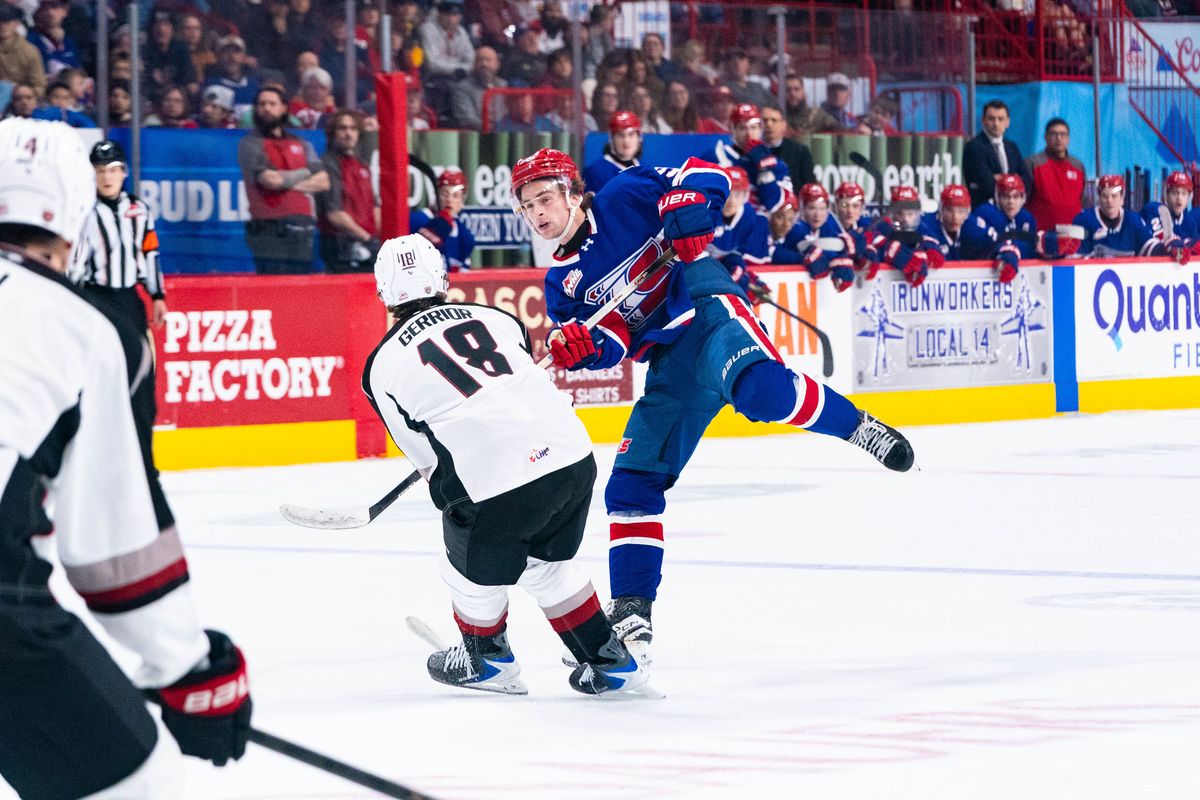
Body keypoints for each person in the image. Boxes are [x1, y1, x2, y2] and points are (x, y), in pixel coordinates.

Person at [511, 148, 916, 665]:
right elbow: (614, 339)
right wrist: (586, 348)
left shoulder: (625, 192)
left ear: (572, 191)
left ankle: (858, 427)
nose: (538, 213)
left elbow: (708, 175)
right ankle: (633, 614)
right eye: (527, 207)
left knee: (761, 391)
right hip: (669, 362)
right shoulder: (560, 285)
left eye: (545, 197)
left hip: (707, 308)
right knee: (632, 484)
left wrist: (687, 202)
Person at [0, 117, 252, 800]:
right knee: (138, 785)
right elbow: (115, 550)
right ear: (75, 209)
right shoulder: (76, 326)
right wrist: (187, 670)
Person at [362, 234, 646, 696]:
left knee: (461, 562)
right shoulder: (498, 318)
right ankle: (609, 660)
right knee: (545, 563)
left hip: (502, 483)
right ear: (443, 277)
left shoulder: (379, 366)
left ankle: (486, 659)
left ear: (382, 293)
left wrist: (458, 495)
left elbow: (428, 461)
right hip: (574, 461)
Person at [73, 140, 176, 537]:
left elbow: (150, 255)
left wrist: (158, 295)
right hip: (96, 299)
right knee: (97, 380)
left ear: (123, 173)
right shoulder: (84, 212)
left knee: (143, 381)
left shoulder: (138, 210)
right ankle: (93, 463)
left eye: (112, 170)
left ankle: (143, 461)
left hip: (130, 301)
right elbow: (76, 264)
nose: (106, 177)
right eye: (100, 171)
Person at [237, 86, 330, 274]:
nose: (266, 108)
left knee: (301, 286)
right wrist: (308, 172)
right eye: (262, 104)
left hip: (302, 226)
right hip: (268, 229)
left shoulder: (301, 143)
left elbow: (324, 181)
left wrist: (286, 181)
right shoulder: (250, 143)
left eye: (272, 103)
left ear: (284, 108)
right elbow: (270, 181)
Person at [961, 173, 1080, 281]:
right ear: (997, 197)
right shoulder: (985, 213)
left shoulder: (1026, 218)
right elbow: (985, 245)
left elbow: (1030, 250)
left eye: (1016, 197)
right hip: (982, 277)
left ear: (1023, 198)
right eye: (1005, 196)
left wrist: (1050, 250)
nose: (1010, 202)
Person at [317, 110, 380, 273]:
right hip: (340, 247)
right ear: (333, 133)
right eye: (342, 128)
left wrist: (379, 240)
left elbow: (374, 206)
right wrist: (368, 239)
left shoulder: (362, 165)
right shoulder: (327, 164)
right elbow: (335, 214)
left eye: (353, 128)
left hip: (368, 247)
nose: (348, 133)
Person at [700, 102, 790, 213]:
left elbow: (772, 205)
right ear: (733, 130)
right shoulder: (715, 157)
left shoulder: (776, 164)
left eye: (753, 127)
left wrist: (764, 171)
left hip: (760, 227)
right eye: (743, 128)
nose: (748, 133)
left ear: (760, 129)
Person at [1074, 174, 1183, 260]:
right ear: (1099, 198)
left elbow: (1150, 247)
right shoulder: (1084, 221)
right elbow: (1075, 259)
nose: (1109, 201)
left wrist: (1169, 247)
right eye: (1105, 196)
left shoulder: (1133, 221)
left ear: (1122, 199)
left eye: (1114, 196)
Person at [862, 186, 943, 287]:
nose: (905, 218)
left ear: (917, 213)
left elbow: (933, 246)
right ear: (892, 213)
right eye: (900, 213)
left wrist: (930, 250)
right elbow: (869, 241)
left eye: (910, 214)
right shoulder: (881, 227)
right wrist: (890, 251)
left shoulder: (923, 228)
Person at [963, 100, 1033, 210]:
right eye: (991, 119)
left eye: (1000, 119)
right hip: (985, 210)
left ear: (1007, 122)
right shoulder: (974, 147)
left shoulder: (1012, 147)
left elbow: (1027, 179)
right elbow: (987, 183)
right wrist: (1013, 180)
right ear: (983, 121)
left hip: (1012, 210)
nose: (996, 123)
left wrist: (1000, 178)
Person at [1025, 117, 1087, 230]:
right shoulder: (1033, 163)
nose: (1058, 138)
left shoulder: (1078, 166)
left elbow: (1083, 200)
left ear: (1068, 138)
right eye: (1054, 134)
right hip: (1041, 234)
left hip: (1073, 234)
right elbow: (1023, 199)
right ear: (1045, 137)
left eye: (1063, 134)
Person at [410, 167, 476, 271]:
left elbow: (462, 274)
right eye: (445, 194)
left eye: (455, 195)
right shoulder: (417, 220)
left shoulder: (465, 237)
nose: (449, 200)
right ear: (436, 195)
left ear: (462, 200)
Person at [583, 110, 641, 193]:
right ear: (612, 139)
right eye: (620, 135)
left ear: (639, 138)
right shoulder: (594, 172)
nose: (626, 141)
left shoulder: (645, 170)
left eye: (631, 134)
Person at [449, 45, 505, 130]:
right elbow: (468, 120)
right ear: (474, 64)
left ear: (497, 64)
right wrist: (493, 129)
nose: (484, 64)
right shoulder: (462, 88)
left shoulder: (504, 86)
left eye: (488, 60)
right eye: (480, 60)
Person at [761, 101, 816, 186]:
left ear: (784, 124)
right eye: (765, 120)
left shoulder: (800, 152)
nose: (769, 124)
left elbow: (809, 184)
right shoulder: (752, 151)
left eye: (774, 120)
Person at [1141, 170, 1200, 248]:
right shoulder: (1154, 211)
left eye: (1184, 193)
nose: (1179, 198)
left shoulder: (1190, 222)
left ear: (1189, 197)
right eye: (1175, 193)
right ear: (1166, 195)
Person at [0, 4, 46, 98]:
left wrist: (23, 93)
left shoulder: (30, 51)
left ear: (16, 23)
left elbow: (39, 86)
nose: (2, 25)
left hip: (20, 101)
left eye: (7, 21)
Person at [26, 0, 80, 80]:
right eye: (44, 7)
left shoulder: (69, 43)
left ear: (65, 11)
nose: (50, 12)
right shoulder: (30, 41)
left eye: (55, 7)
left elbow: (78, 72)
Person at [920, 184, 971, 261]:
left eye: (961, 211)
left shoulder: (973, 225)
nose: (955, 217)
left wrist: (996, 253)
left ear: (967, 213)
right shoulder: (926, 223)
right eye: (949, 210)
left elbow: (992, 244)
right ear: (941, 209)